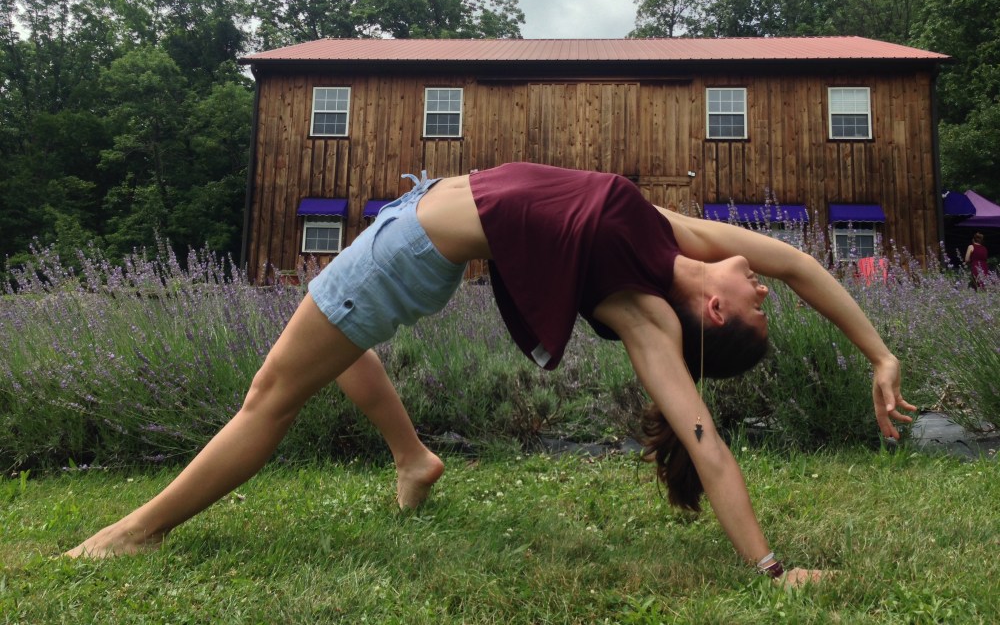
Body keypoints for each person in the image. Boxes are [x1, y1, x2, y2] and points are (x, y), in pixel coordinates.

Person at [66, 163, 915, 587]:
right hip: (415, 218)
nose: (763, 285)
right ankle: (413, 459)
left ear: (717, 316)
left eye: (757, 305)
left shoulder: (648, 312)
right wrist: (878, 354)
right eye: (764, 296)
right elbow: (803, 264)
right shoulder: (677, 242)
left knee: (269, 399)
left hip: (402, 253)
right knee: (330, 352)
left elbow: (710, 448)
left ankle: (138, 530)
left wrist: (773, 570)